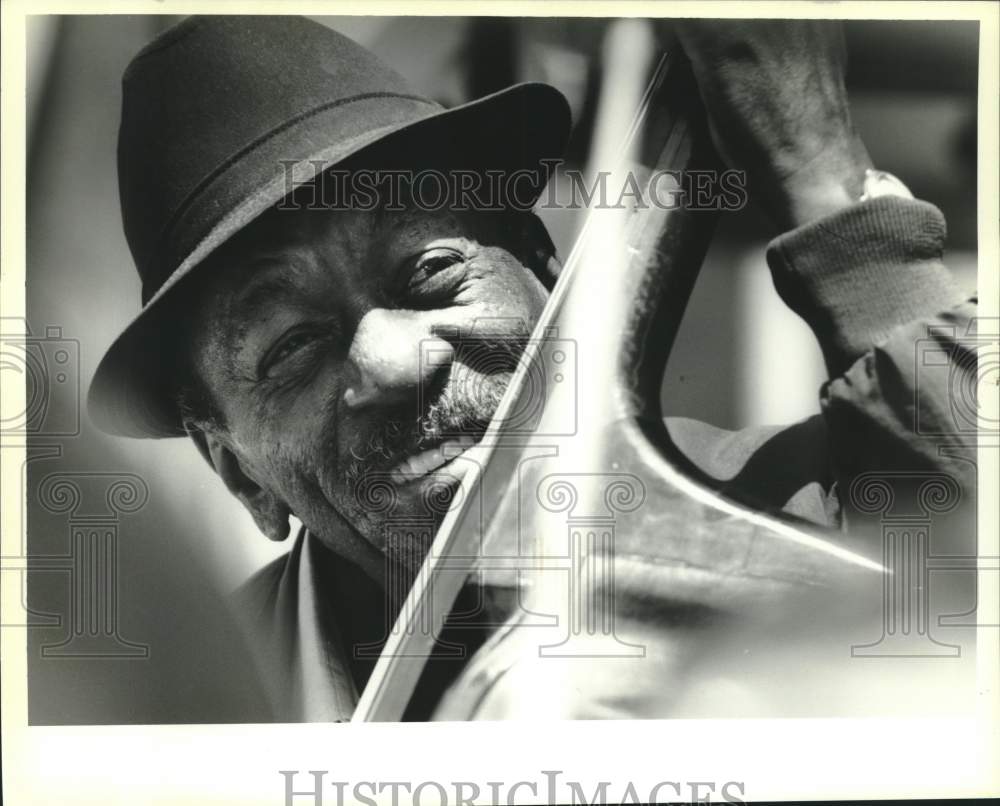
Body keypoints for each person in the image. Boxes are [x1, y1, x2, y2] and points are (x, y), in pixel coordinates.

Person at [88, 15, 978, 721]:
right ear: (238, 470)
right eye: (290, 347)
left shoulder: (803, 503)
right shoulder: (189, 701)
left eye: (430, 274)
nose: (395, 362)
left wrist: (822, 180)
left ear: (546, 273)